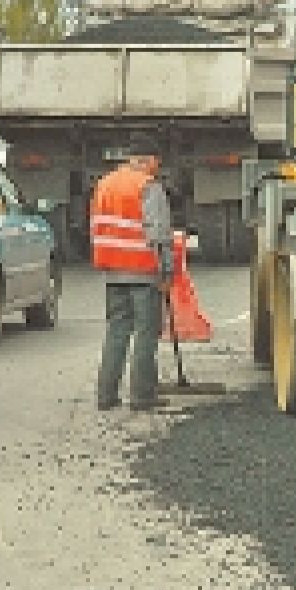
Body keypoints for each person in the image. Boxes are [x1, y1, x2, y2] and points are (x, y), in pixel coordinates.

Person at [92, 134, 174, 411]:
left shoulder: (105, 184)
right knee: (146, 332)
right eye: (156, 162)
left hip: (113, 271)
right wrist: (166, 270)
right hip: (143, 270)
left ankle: (106, 395)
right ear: (148, 160)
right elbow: (158, 233)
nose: (157, 168)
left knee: (117, 330)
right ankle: (142, 396)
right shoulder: (148, 186)